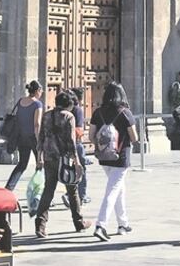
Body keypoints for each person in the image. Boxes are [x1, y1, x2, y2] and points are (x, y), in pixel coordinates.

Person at [34, 91, 89, 238]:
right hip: (64, 159)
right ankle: (79, 222)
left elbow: (40, 138)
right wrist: (77, 161)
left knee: (48, 190)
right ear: (68, 104)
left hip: (49, 157)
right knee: (72, 190)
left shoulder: (46, 115)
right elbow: (71, 141)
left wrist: (39, 158)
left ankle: (40, 225)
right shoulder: (68, 116)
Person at [89, 82, 139, 242]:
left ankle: (123, 223)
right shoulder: (125, 113)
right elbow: (134, 138)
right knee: (112, 190)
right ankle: (101, 225)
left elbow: (91, 136)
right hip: (121, 157)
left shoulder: (98, 112)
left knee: (119, 188)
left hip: (104, 157)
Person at [4, 80, 44, 192]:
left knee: (22, 164)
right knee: (40, 164)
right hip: (33, 137)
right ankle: (38, 190)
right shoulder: (37, 104)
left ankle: (9, 187)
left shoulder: (21, 101)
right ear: (37, 91)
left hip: (21, 137)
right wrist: (39, 140)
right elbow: (37, 124)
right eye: (41, 91)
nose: (41, 93)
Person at [69, 87, 91, 205]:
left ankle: (71, 193)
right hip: (76, 143)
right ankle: (81, 195)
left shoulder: (68, 108)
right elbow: (78, 128)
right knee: (81, 168)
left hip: (65, 143)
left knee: (69, 168)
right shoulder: (78, 110)